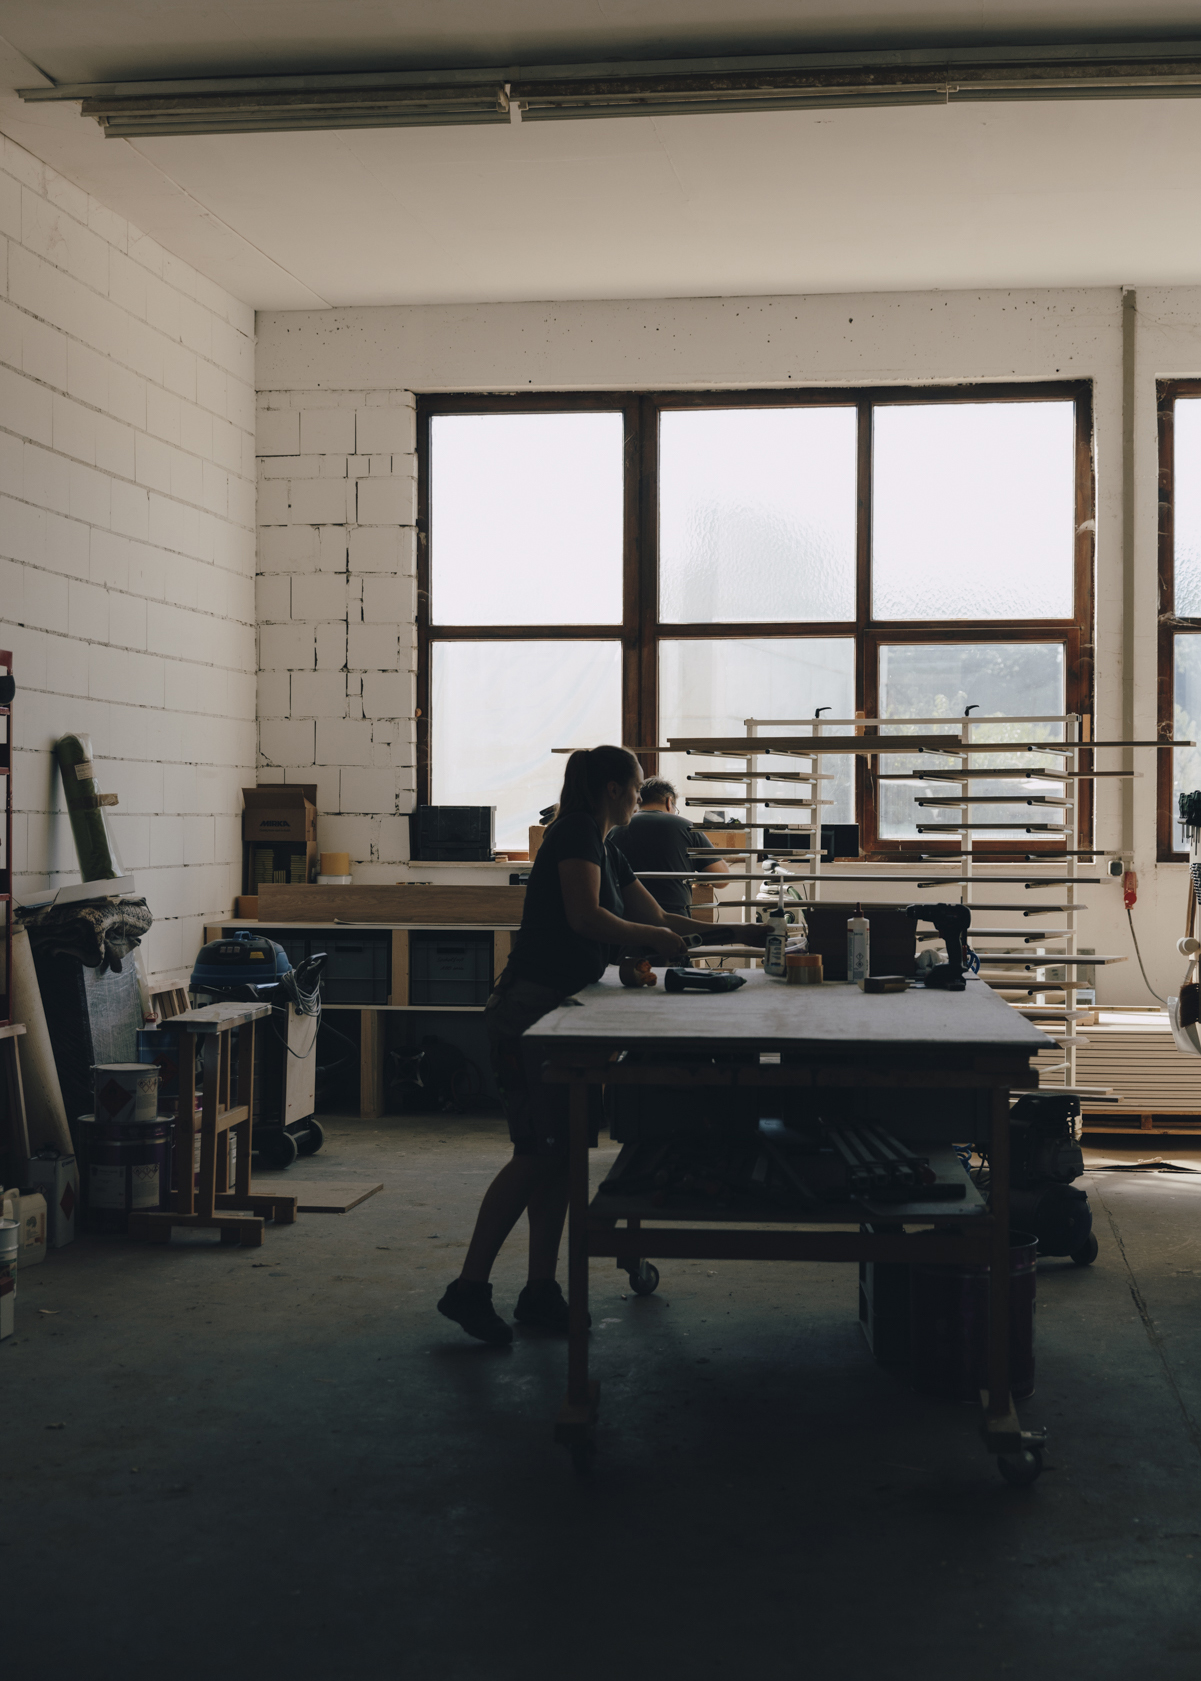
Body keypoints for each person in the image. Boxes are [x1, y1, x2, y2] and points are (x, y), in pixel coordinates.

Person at [437, 744, 763, 1346]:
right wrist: (652, 940)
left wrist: (735, 931)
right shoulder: (575, 835)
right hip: (529, 1015)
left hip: (561, 1014)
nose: (643, 796)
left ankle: (540, 1292)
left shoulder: (607, 844)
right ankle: (468, 1289)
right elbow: (586, 918)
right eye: (637, 786)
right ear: (612, 788)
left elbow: (659, 918)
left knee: (560, 1155)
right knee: (536, 1153)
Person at [608, 775, 729, 917]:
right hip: (675, 919)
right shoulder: (687, 827)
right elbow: (722, 880)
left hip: (625, 920)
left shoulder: (615, 828)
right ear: (668, 802)